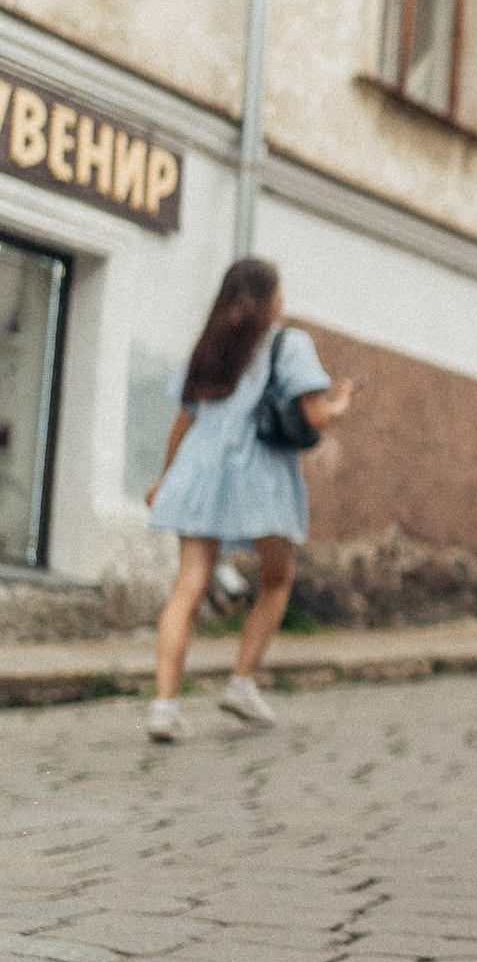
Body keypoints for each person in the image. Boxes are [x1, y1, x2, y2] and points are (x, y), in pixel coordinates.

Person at [140, 258, 357, 741]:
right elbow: (314, 415)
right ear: (271, 297)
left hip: (198, 471)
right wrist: (339, 403)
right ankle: (241, 681)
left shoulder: (210, 345)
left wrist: (165, 478)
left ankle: (164, 705)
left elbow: (185, 419)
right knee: (277, 580)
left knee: (189, 585)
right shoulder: (287, 342)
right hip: (258, 476)